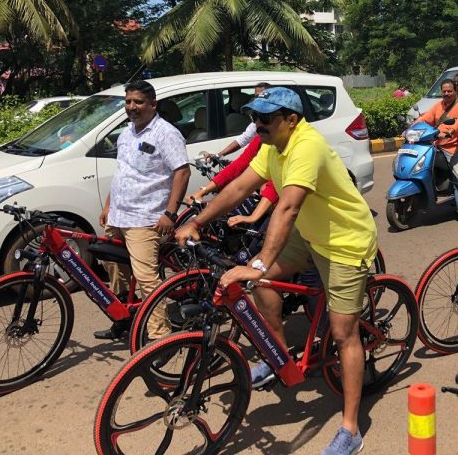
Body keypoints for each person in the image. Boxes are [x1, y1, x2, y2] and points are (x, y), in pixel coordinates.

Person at [175, 87, 377, 455]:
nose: (257, 124)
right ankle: (279, 356)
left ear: (291, 120)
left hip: (345, 242)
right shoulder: (273, 146)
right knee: (262, 285)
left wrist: (259, 263)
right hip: (312, 235)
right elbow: (239, 186)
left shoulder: (306, 146)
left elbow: (287, 208)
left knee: (343, 333)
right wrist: (197, 222)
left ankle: (351, 429)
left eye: (265, 118)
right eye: (254, 117)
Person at [94, 80, 190, 340]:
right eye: (128, 102)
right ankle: (126, 318)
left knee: (146, 278)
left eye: (138, 102)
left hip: (145, 218)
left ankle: (160, 336)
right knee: (113, 265)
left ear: (152, 104)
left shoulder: (165, 133)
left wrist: (170, 213)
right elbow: (124, 172)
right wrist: (108, 205)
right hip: (119, 215)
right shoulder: (126, 133)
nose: (132, 107)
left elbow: (182, 172)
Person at [413, 78, 458, 227]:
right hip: (436, 144)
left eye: (449, 91)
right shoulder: (438, 106)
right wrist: (411, 127)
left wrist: (450, 131)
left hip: (455, 146)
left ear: (455, 91)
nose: (446, 94)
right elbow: (425, 118)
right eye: (444, 91)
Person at [208, 82, 270, 160]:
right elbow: (243, 140)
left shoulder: (276, 136)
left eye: (261, 96)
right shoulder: (255, 127)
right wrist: (218, 155)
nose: (256, 122)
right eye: (254, 117)